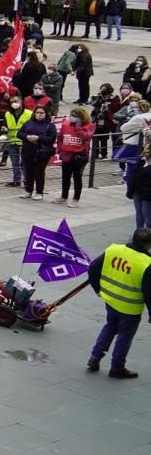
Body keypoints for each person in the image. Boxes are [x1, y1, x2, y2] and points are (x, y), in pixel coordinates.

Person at [86, 228, 151, 379]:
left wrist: (98, 289)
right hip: (130, 307)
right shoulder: (147, 263)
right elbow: (149, 292)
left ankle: (95, 357)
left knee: (110, 327)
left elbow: (93, 269)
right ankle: (117, 367)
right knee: (125, 336)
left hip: (111, 300)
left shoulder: (114, 249)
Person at [55, 107, 94, 207]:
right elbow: (60, 138)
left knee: (77, 178)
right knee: (65, 177)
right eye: (71, 115)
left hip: (79, 156)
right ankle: (64, 196)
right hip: (67, 154)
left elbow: (86, 137)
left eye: (75, 116)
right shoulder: (65, 124)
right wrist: (60, 149)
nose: (72, 118)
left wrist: (78, 128)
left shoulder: (90, 126)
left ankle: (76, 199)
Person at [18, 106, 57, 200]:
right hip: (27, 151)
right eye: (37, 113)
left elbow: (51, 139)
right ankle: (28, 191)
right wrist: (27, 137)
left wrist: (38, 138)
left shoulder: (50, 125)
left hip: (41, 152)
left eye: (41, 113)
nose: (39, 115)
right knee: (28, 171)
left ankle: (39, 192)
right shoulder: (28, 123)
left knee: (39, 172)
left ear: (46, 114)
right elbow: (19, 133)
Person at [2, 97, 32, 188]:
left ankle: (27, 181)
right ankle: (16, 181)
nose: (14, 103)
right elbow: (5, 124)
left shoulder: (29, 113)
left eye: (15, 101)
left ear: (21, 102)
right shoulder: (8, 114)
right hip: (12, 141)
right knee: (15, 163)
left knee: (25, 163)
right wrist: (4, 128)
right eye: (11, 102)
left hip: (24, 142)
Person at [129, 143, 151, 230]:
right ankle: (139, 234)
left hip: (148, 193)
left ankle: (148, 237)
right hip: (137, 190)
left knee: (148, 215)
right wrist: (130, 188)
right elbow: (134, 174)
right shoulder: (142, 159)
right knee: (139, 213)